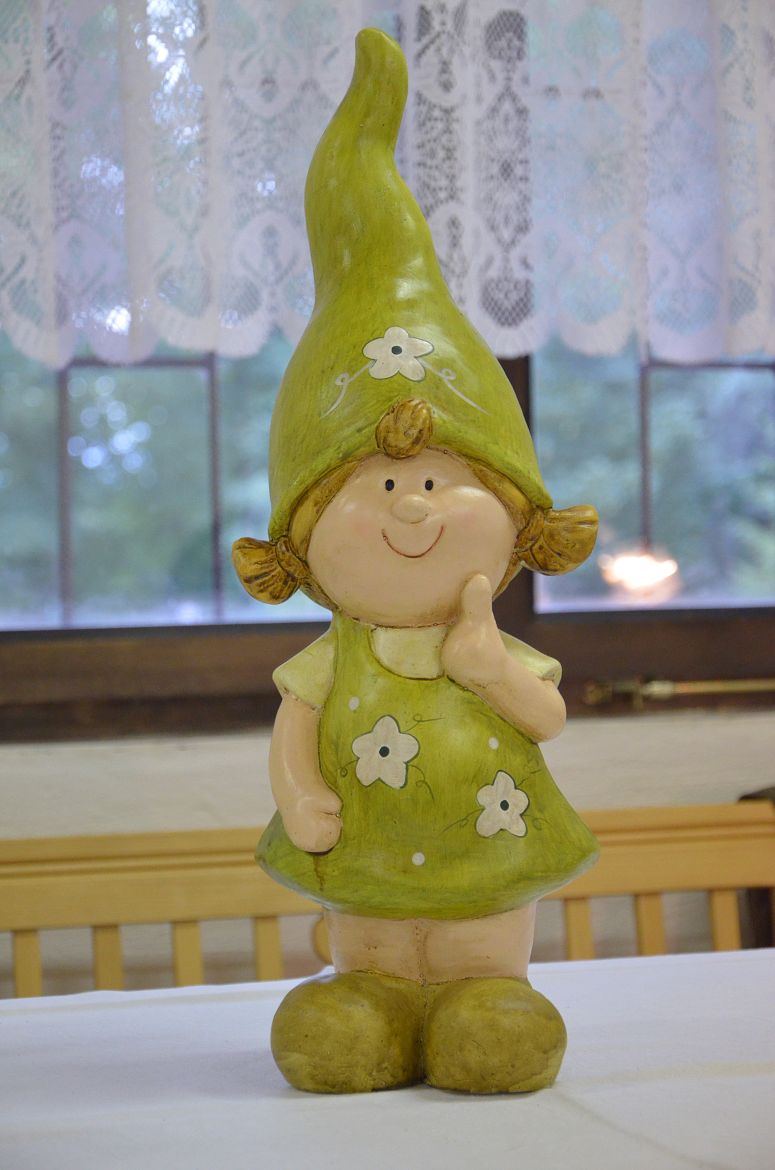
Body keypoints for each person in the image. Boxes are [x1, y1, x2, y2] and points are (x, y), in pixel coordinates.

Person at [233, 28, 598, 1095]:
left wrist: (488, 672)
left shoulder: (484, 639)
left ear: (516, 517)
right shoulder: (333, 654)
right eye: (379, 485)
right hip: (366, 866)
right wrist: (299, 791)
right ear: (301, 537)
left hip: (490, 857)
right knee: (370, 959)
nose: (413, 511)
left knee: (482, 971)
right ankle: (372, 996)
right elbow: (296, 724)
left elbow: (545, 720)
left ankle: (487, 997)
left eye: (441, 481)